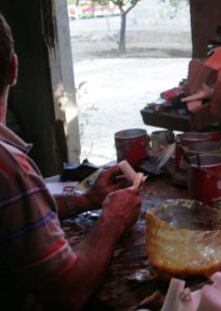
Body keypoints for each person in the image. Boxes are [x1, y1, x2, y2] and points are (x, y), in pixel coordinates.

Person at [0, 12, 141, 310]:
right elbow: (68, 293)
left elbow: (16, 217)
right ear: (14, 68)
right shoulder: (9, 171)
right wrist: (112, 221)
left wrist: (86, 199)